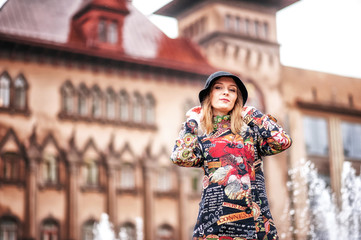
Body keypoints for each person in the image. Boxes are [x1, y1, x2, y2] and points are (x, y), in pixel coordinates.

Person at [171, 71, 292, 240]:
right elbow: (180, 157)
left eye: (232, 90)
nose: (226, 92)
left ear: (237, 99)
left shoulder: (252, 135)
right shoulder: (203, 140)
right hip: (214, 225)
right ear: (209, 96)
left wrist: (251, 114)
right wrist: (192, 123)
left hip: (256, 225)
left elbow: (282, 142)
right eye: (218, 88)